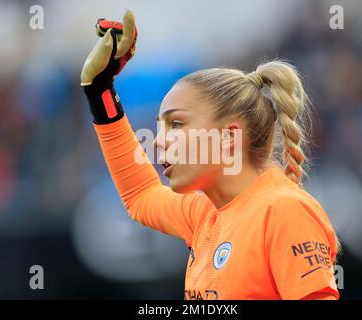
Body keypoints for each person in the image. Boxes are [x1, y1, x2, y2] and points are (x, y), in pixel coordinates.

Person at [80, 10, 340, 300]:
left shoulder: (284, 211)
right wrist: (100, 89)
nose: (159, 142)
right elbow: (140, 195)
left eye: (176, 124)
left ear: (229, 136)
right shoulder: (204, 211)